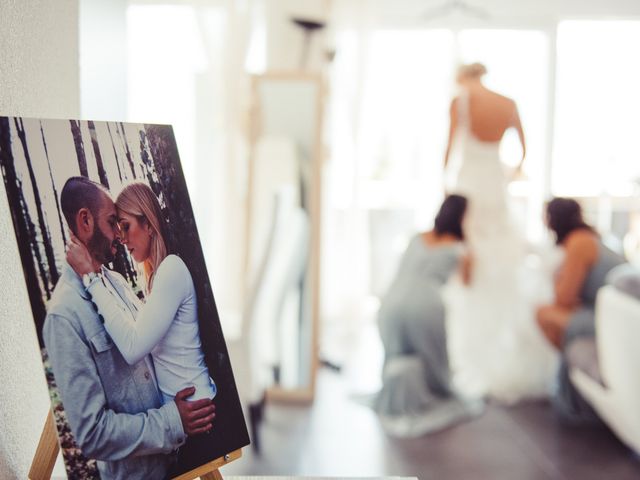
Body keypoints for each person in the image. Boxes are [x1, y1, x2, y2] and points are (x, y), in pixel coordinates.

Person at [44, 177, 215, 480]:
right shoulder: (64, 315)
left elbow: (144, 349)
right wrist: (171, 421)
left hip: (178, 459)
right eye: (114, 223)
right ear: (85, 220)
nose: (119, 237)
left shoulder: (117, 283)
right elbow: (93, 434)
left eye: (124, 226)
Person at [443, 62, 557, 403]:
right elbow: (524, 149)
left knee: (469, 258)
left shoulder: (460, 101)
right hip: (494, 180)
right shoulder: (507, 103)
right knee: (501, 257)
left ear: (464, 77)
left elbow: (448, 148)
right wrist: (514, 171)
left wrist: (443, 186)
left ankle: (468, 345)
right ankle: (500, 343)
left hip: (468, 183)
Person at [375, 195, 483, 437]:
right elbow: (467, 282)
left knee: (397, 354)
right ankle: (425, 396)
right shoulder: (459, 247)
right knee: (433, 360)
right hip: (426, 304)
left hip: (391, 300)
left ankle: (398, 396)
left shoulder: (417, 238)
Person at [536, 198, 624, 424]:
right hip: (604, 313)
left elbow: (564, 297)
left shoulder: (579, 242)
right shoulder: (584, 239)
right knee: (548, 311)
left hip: (608, 319)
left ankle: (569, 384)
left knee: (544, 313)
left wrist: (558, 279)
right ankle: (569, 381)